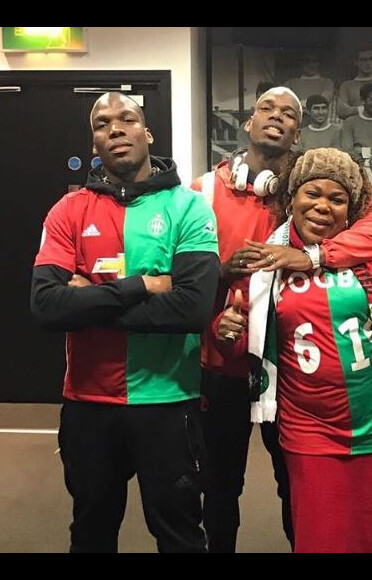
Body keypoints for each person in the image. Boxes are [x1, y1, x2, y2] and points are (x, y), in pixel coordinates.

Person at [191, 87, 372, 553]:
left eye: (289, 113)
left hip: (285, 371)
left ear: (298, 131)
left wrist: (308, 255)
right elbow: (185, 273)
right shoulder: (204, 190)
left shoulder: (313, 185)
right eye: (267, 108)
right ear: (248, 122)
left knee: (296, 487)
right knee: (219, 486)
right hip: (223, 361)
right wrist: (228, 272)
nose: (277, 117)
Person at [30, 92, 220, 553]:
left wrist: (88, 299)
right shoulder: (67, 212)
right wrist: (141, 287)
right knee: (91, 530)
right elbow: (47, 307)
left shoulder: (189, 207)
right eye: (102, 124)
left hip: (168, 401)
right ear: (94, 142)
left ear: (147, 132)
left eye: (126, 119)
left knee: (179, 533)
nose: (115, 129)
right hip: (89, 403)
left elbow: (192, 310)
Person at [337, 47, 372, 120]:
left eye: (370, 59)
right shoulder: (346, 86)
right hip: (354, 126)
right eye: (363, 60)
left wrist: (354, 109)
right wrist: (369, 108)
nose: (368, 63)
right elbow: (342, 111)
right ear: (356, 62)